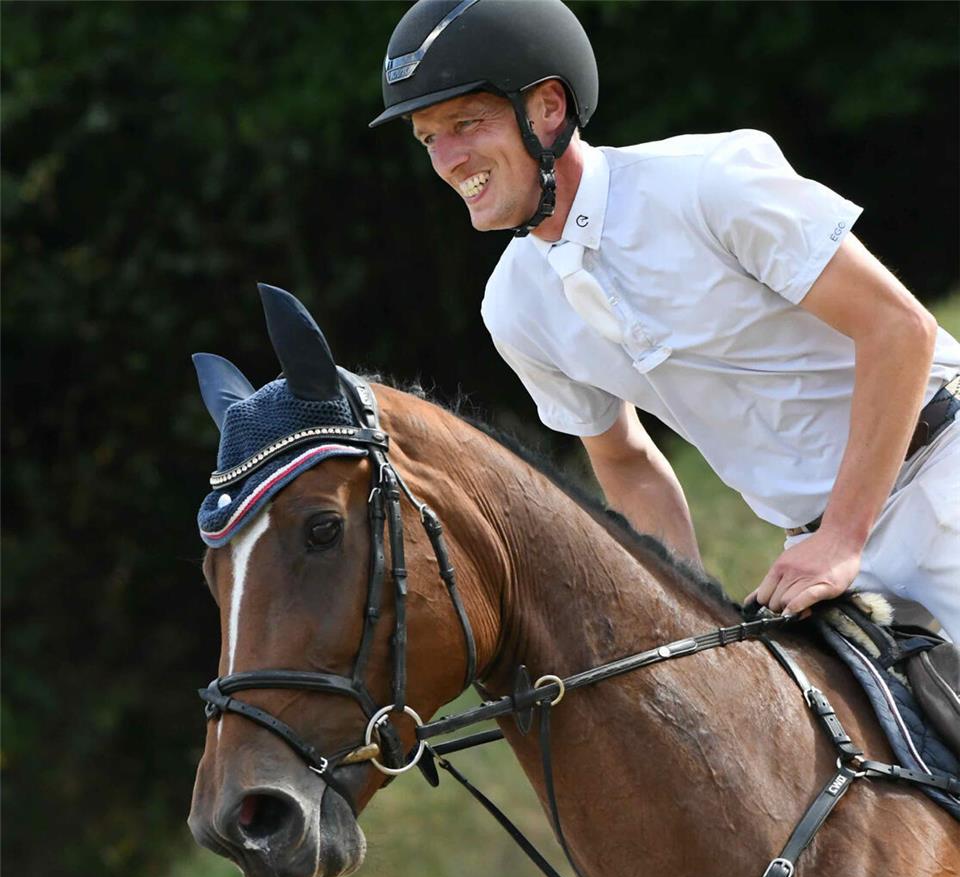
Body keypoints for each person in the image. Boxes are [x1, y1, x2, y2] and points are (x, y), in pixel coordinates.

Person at [370, 0, 960, 640]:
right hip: (819, 556)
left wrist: (844, 534)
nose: (448, 159)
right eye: (430, 138)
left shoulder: (706, 184)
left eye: (466, 123)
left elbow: (899, 329)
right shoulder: (513, 307)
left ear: (546, 107)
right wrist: (692, 618)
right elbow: (623, 459)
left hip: (939, 480)